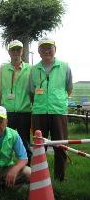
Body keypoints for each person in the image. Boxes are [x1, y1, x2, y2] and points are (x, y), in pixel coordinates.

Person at [30, 37, 73, 181]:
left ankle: (60, 178)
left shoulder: (65, 66)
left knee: (59, 146)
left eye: (49, 47)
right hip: (39, 112)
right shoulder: (34, 69)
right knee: (39, 146)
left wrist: (58, 102)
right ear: (38, 51)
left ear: (55, 49)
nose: (46, 50)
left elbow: (69, 88)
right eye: (43, 48)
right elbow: (31, 91)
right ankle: (40, 177)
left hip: (58, 112)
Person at [0, 40, 32, 164]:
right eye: (13, 50)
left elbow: (32, 91)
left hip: (24, 111)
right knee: (5, 140)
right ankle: (5, 167)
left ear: (22, 51)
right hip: (7, 112)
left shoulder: (29, 68)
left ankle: (27, 168)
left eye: (18, 49)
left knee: (24, 140)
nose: (16, 52)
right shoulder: (3, 69)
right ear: (9, 52)